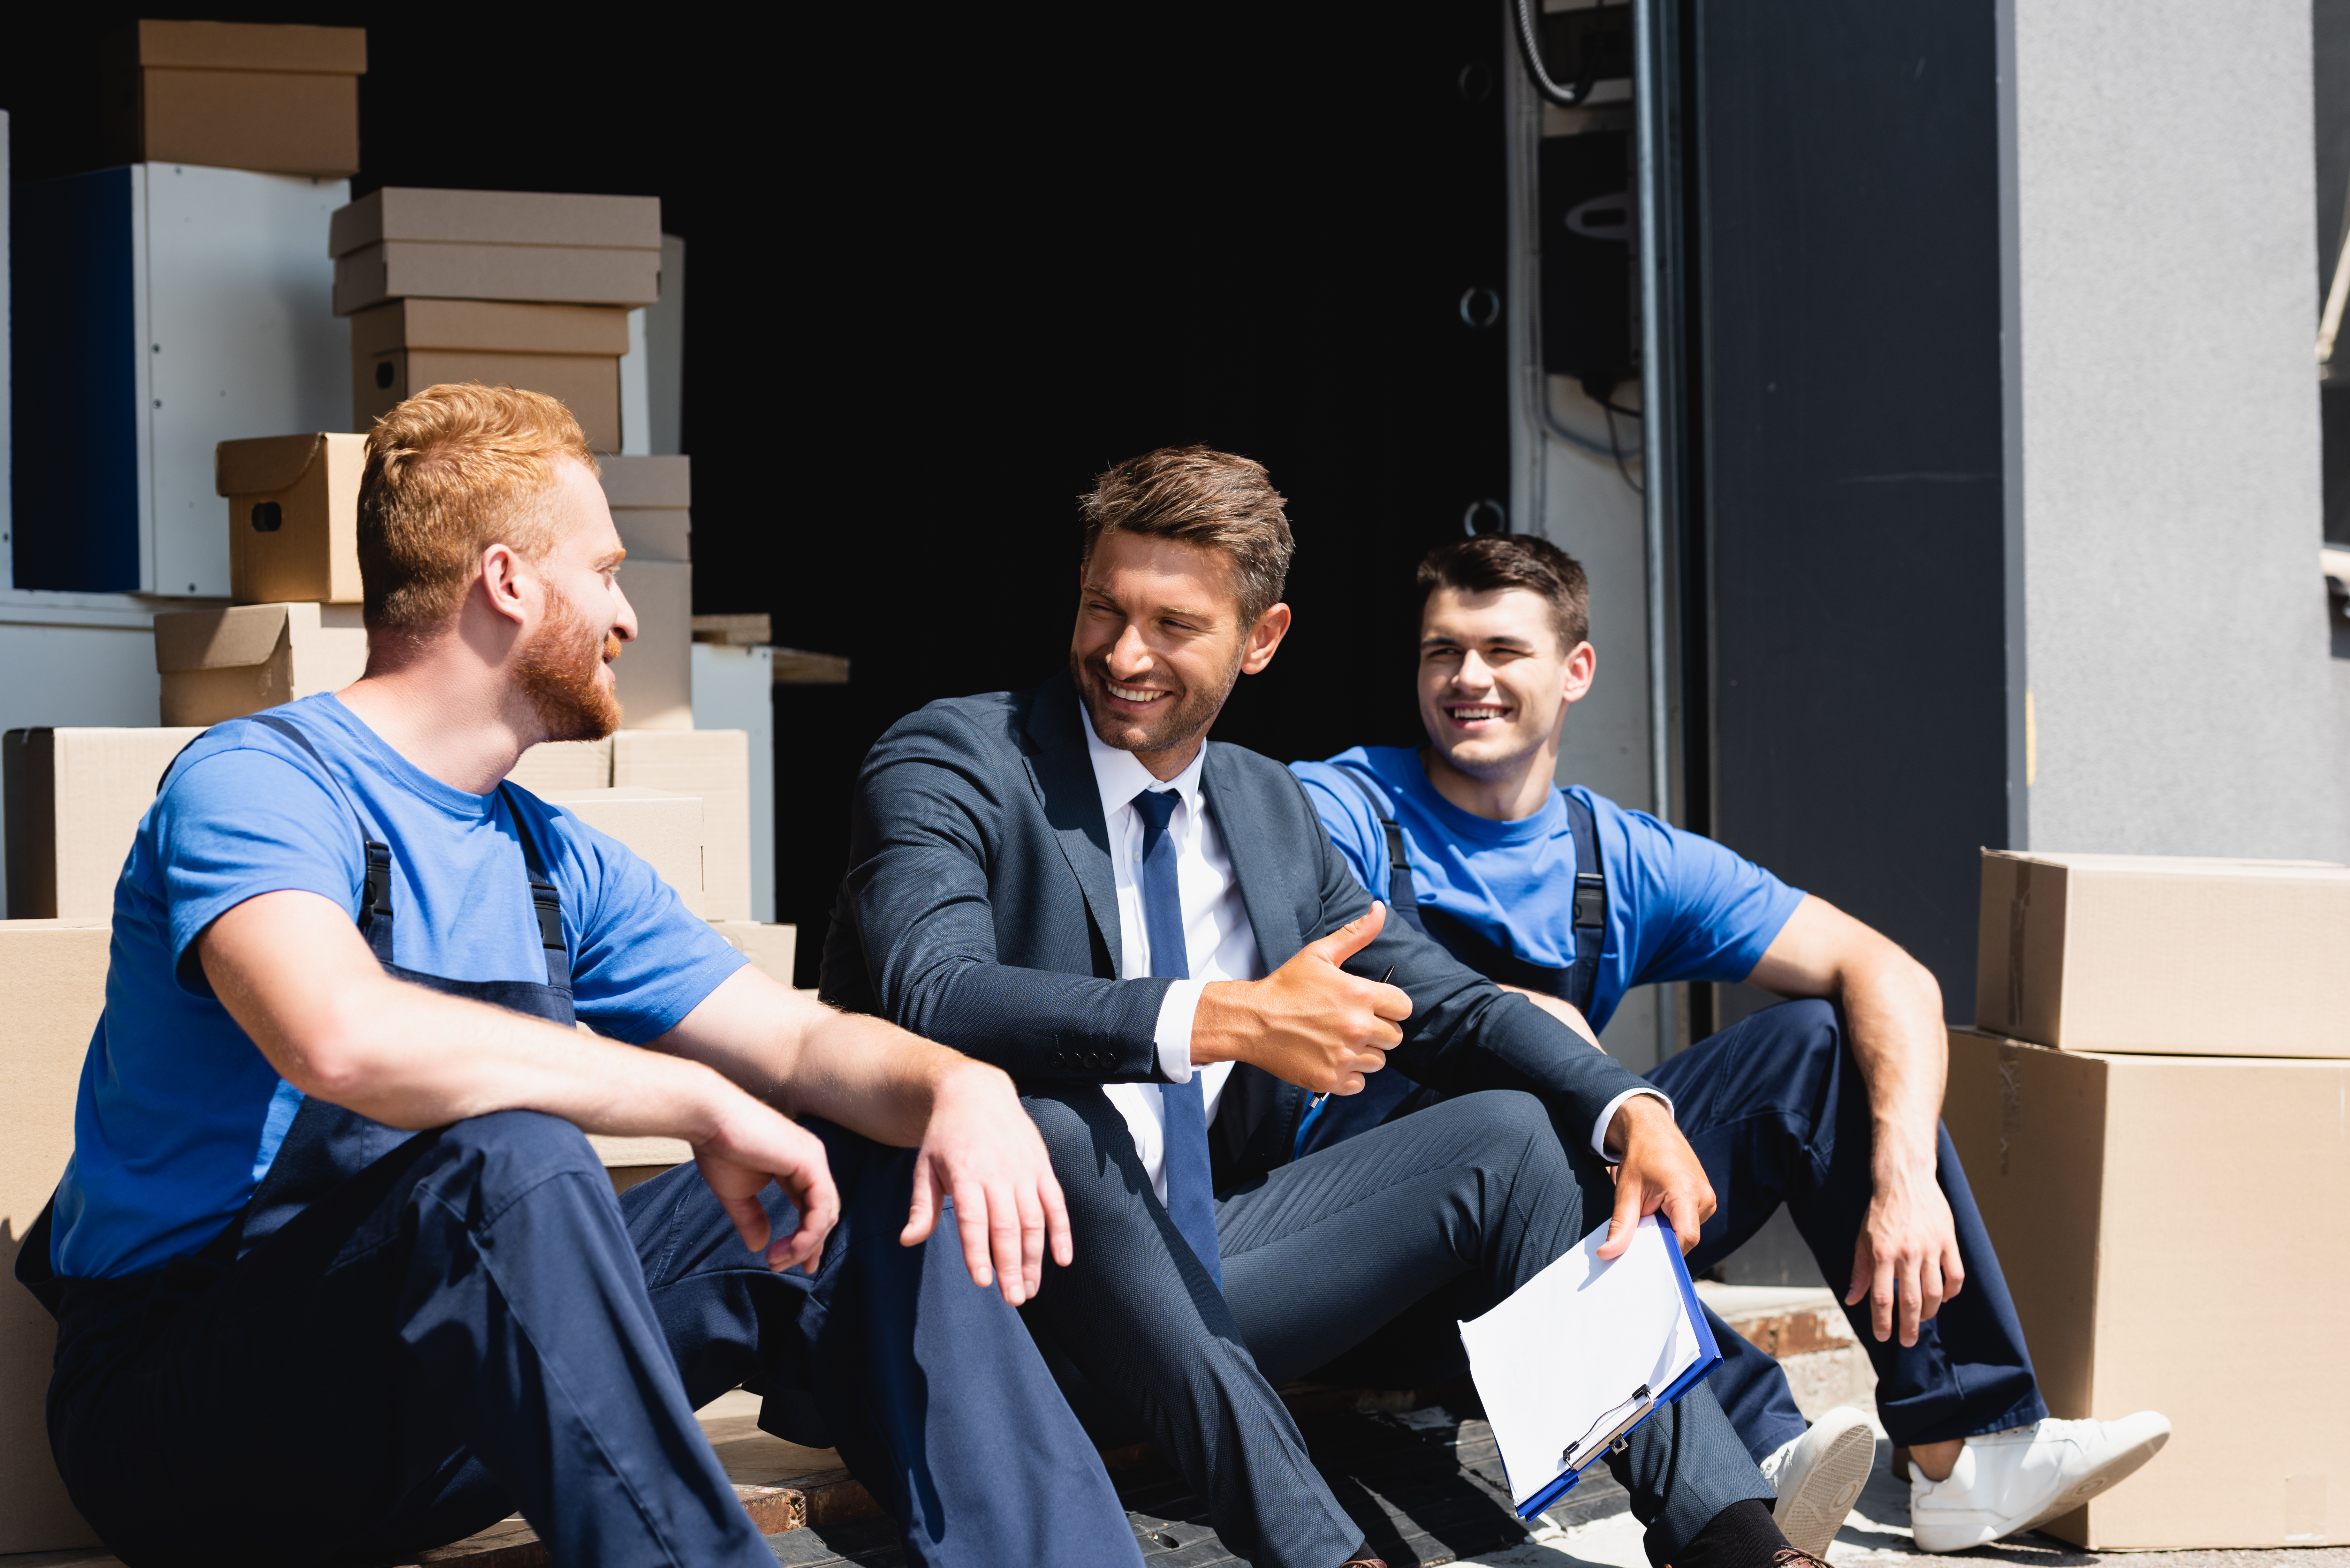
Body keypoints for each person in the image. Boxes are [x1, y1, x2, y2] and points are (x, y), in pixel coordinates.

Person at [13, 385, 1143, 1568]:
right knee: (507, 1158)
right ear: (508, 581)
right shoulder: (261, 784)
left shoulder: (552, 860)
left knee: (862, 1179)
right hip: (191, 1423)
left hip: (425, 1399)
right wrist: (700, 1101)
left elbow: (801, 1045)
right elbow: (334, 1038)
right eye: (604, 571)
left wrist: (961, 1089)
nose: (628, 617)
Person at [823, 445, 1832, 1568]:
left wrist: (1627, 1108)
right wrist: (1228, 1017)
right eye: (1104, 608)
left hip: (1208, 1286)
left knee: (1511, 1134)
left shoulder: (1263, 806)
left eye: (1174, 625)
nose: (1123, 653)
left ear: (1263, 641)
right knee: (1061, 1127)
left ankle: (1731, 1539)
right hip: (1003, 1309)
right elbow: (935, 989)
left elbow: (1442, 1003)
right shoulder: (952, 757)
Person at [1287, 531, 2171, 1556]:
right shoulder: (1339, 808)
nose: (1467, 679)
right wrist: (1526, 1025)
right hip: (1375, 1259)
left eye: (1501, 651)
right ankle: (1750, 1439)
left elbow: (1888, 972)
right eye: (1444, 652)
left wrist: (1904, 1176)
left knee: (1815, 1048)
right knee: (1530, 1097)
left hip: (1542, 1242)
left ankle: (1962, 1449)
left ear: (1576, 671)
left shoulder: (1613, 855)